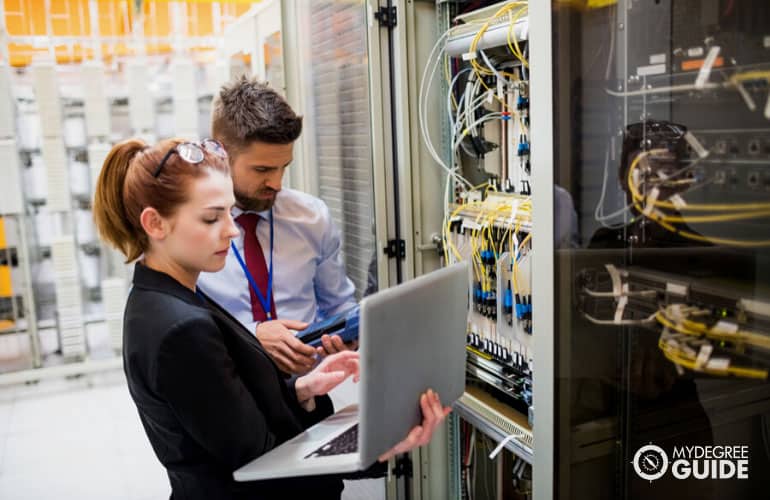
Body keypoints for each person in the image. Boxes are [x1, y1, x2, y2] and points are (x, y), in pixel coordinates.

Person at [93, 137, 451, 500]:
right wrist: (378, 446)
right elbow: (262, 469)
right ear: (155, 223)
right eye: (211, 217)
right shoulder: (180, 329)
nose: (232, 230)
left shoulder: (167, 298)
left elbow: (229, 421)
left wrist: (301, 391)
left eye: (229, 214)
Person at [198, 77, 358, 374]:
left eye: (284, 167)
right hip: (233, 391)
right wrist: (250, 335)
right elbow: (174, 330)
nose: (277, 183)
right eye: (262, 169)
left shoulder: (312, 218)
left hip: (315, 388)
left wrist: (346, 338)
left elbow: (339, 306)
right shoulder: (189, 230)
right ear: (220, 154)